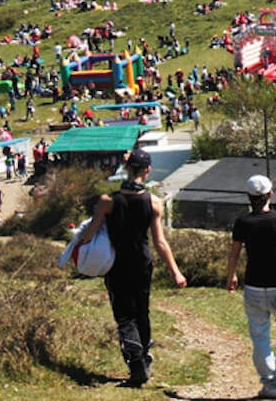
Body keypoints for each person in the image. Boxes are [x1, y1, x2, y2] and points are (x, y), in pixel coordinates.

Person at [82, 149, 186, 387]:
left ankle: (136, 363)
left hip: (116, 265)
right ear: (147, 170)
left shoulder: (107, 202)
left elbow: (90, 235)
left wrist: (76, 251)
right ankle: (144, 358)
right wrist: (175, 272)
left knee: (124, 315)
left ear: (127, 169)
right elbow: (160, 241)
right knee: (142, 312)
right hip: (142, 263)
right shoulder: (153, 202)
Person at [225, 175, 276, 398]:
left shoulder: (243, 222)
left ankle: (271, 386)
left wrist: (231, 276)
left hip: (253, 286)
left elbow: (234, 254)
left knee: (260, 336)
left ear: (249, 198)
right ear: (270, 195)